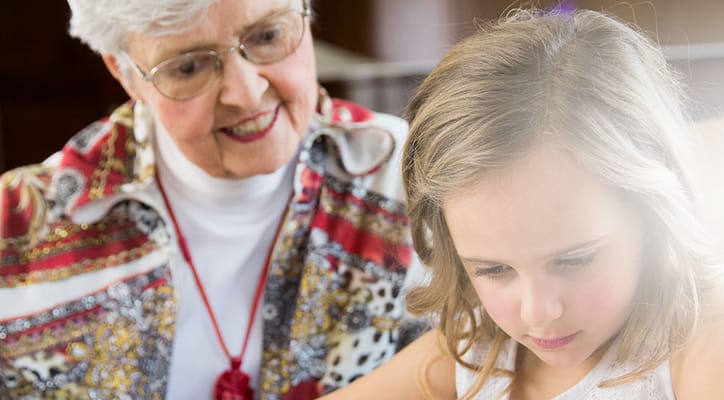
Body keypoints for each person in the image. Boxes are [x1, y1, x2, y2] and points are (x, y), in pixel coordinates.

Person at [326, 9, 724, 400]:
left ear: (652, 212)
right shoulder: (476, 345)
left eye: (575, 259)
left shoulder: (699, 324)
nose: (537, 312)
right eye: (493, 270)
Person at [0, 0, 427, 398]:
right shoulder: (17, 232)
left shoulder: (409, 174)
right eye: (188, 67)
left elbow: (475, 362)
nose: (245, 92)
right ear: (125, 72)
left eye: (266, 37)